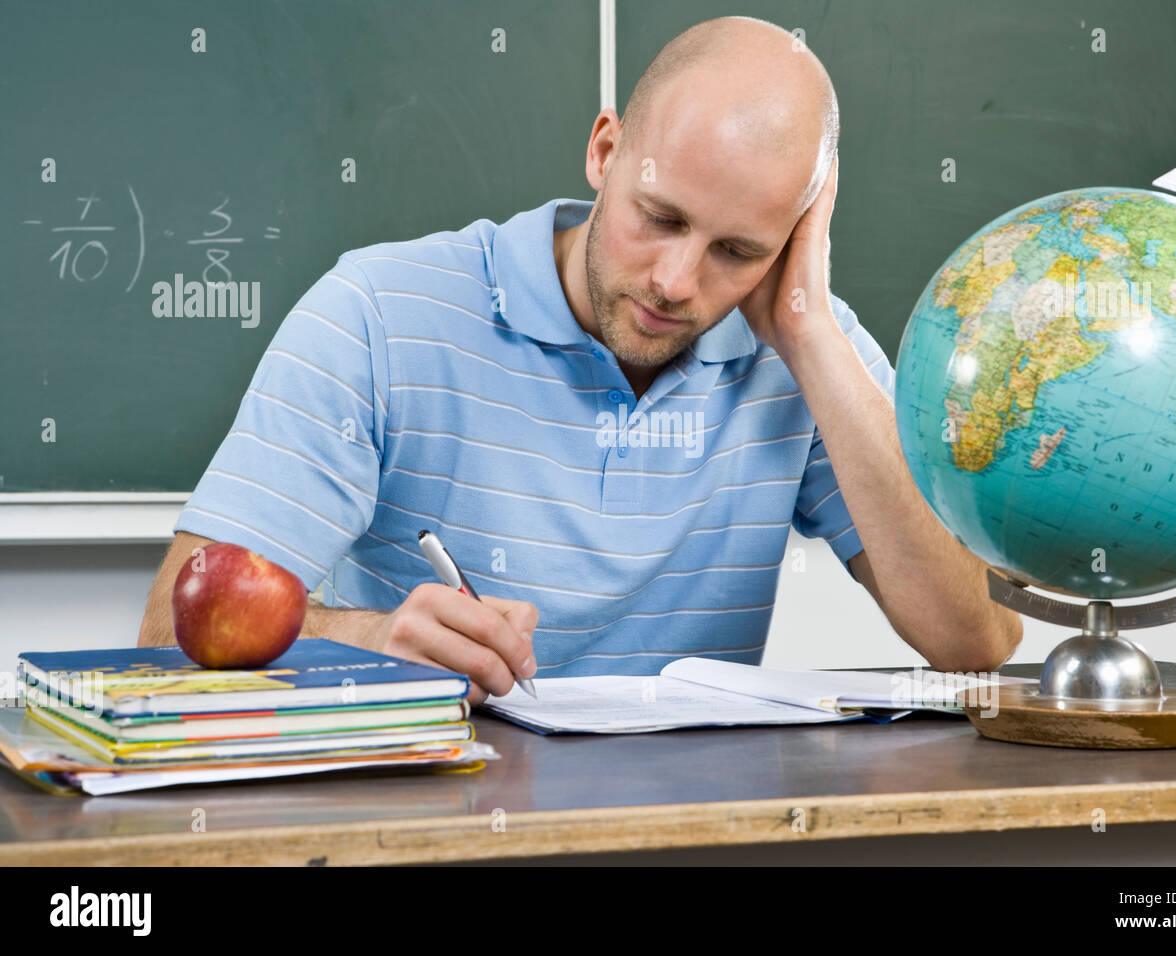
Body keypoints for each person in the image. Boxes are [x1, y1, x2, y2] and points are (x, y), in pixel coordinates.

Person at [138, 15, 1022, 703]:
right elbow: (162, 641)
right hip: (434, 831)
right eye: (662, 218)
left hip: (687, 836)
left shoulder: (801, 345)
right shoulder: (376, 314)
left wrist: (810, 330)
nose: (677, 281)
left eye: (738, 252)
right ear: (604, 151)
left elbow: (975, 642)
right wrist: (372, 642)